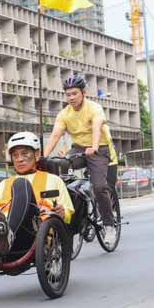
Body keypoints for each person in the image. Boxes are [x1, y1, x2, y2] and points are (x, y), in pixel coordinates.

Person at [0, 132, 73, 256]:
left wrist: (63, 213)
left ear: (36, 155)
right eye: (15, 155)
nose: (20, 159)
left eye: (25, 154)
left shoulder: (54, 180)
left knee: (21, 183)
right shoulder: (3, 184)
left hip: (33, 233)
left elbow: (68, 213)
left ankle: (8, 233)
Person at [44, 73, 116, 245]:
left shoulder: (94, 108)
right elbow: (55, 135)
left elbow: (97, 127)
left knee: (99, 187)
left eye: (74, 93)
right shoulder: (64, 114)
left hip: (98, 149)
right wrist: (44, 156)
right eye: (68, 94)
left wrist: (95, 146)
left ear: (83, 93)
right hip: (77, 149)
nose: (71, 98)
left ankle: (109, 225)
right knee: (59, 167)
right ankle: (75, 212)